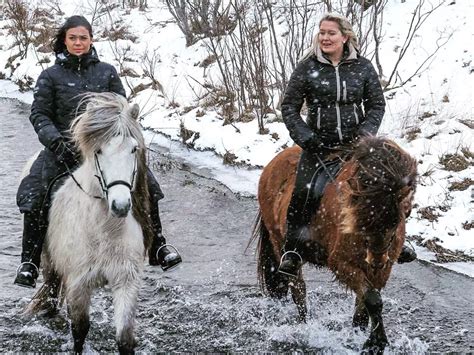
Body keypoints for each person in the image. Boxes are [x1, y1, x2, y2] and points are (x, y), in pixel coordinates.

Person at [14, 16, 181, 288]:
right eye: (73, 38)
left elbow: (122, 111)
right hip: (64, 150)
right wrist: (57, 142)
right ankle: (30, 261)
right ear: (64, 41)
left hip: (106, 150)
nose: (78, 43)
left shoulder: (107, 72)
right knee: (35, 192)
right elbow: (40, 114)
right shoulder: (50, 76)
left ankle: (159, 245)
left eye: (83, 38)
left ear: (91, 40)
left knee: (148, 185)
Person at [278, 13, 416, 277]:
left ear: (345, 37)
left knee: (388, 190)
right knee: (304, 193)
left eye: (331, 33)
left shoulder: (362, 67)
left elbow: (376, 104)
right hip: (319, 146)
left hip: (358, 148)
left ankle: (399, 242)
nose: (325, 38)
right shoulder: (307, 68)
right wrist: (306, 137)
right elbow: (289, 107)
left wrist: (364, 135)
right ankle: (292, 250)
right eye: (322, 32)